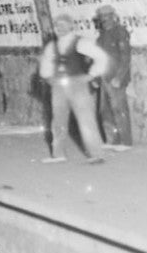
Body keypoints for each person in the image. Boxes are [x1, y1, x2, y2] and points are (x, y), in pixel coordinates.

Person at [38, 14, 110, 163]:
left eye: (63, 25)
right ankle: (58, 155)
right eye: (57, 26)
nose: (60, 28)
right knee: (58, 121)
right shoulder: (52, 46)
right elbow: (45, 64)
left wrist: (91, 75)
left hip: (78, 85)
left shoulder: (81, 42)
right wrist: (48, 77)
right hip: (59, 86)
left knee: (86, 119)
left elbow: (101, 57)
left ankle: (97, 155)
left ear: (71, 26)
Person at [94, 5, 133, 146]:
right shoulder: (102, 35)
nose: (104, 19)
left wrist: (119, 77)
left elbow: (125, 57)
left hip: (116, 78)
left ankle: (125, 141)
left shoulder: (120, 32)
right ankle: (112, 140)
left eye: (107, 16)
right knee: (106, 110)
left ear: (113, 16)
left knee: (119, 109)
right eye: (102, 17)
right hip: (104, 77)